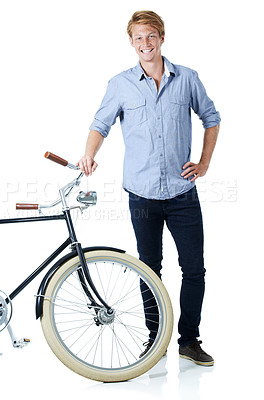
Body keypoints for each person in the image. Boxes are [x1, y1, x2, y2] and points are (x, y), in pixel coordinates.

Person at [77, 10, 220, 366]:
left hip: (182, 192)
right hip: (141, 194)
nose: (145, 43)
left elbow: (212, 119)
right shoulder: (120, 84)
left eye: (151, 36)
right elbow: (100, 124)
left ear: (162, 37)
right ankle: (154, 341)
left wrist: (204, 163)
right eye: (138, 37)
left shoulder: (187, 78)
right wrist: (88, 154)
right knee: (149, 269)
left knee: (194, 269)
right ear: (131, 42)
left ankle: (189, 340)